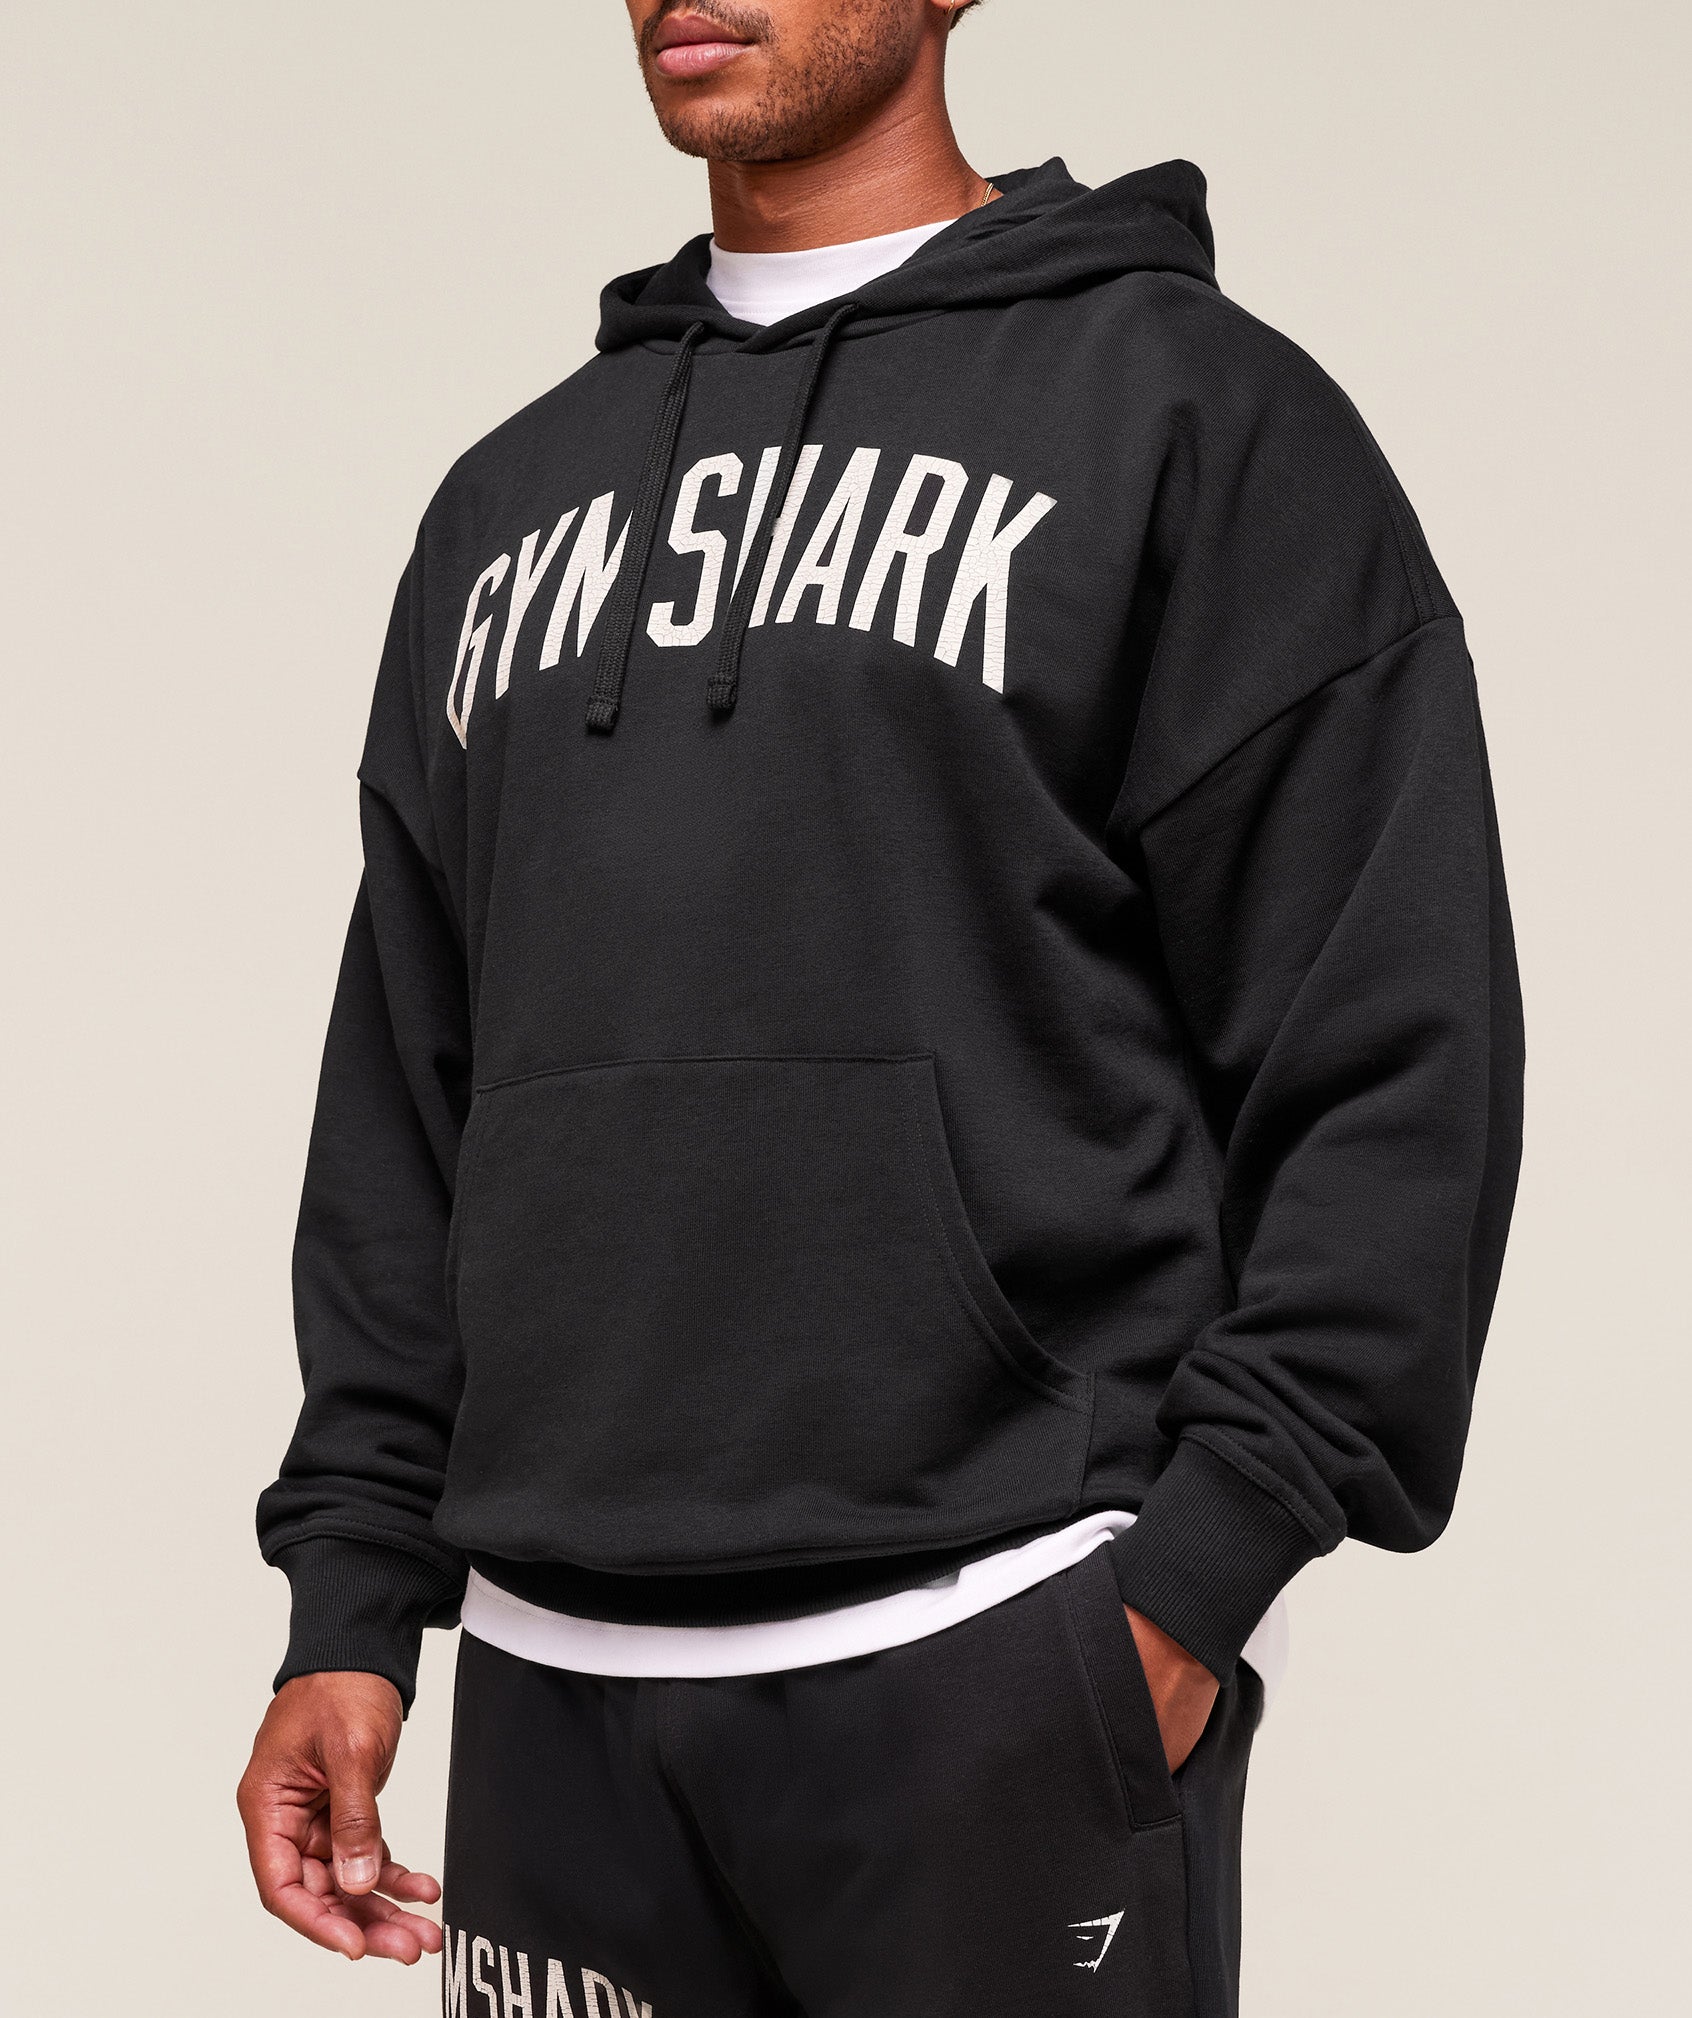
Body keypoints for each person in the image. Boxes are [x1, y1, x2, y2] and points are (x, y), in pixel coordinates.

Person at [238, 2, 1524, 2011]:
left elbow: (1393, 1048)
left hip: (996, 1648)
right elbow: (410, 1093)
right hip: (560, 1689)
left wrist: (1194, 1580)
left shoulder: (1189, 416)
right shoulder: (506, 503)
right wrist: (352, 1596)